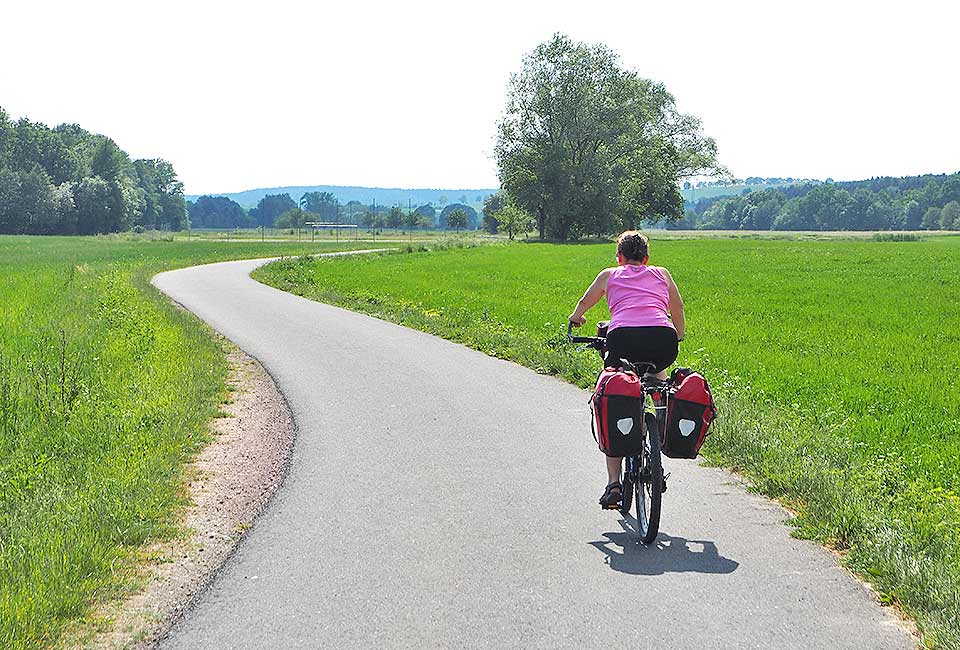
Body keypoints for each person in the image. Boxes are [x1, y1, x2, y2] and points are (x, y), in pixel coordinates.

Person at [568, 231, 685, 509]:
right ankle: (657, 434)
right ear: (646, 259)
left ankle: (614, 484)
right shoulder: (662, 273)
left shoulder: (609, 275)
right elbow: (677, 307)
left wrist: (576, 317)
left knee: (613, 399)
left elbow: (586, 302)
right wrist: (678, 335)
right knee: (658, 379)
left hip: (622, 340)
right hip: (662, 341)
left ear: (619, 257)